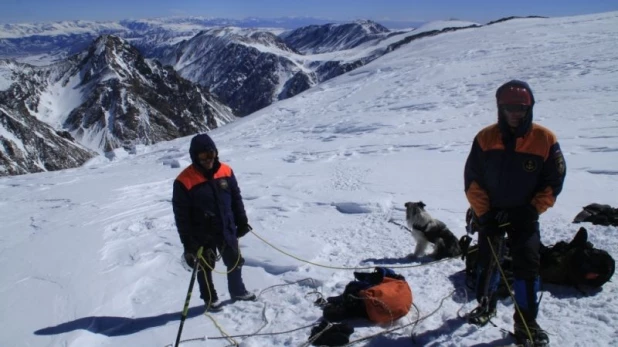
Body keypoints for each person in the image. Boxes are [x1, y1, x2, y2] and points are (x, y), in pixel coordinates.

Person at [464, 80, 566, 346]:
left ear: (529, 108)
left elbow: (553, 182)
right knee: (488, 263)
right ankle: (486, 305)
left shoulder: (545, 139)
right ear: (500, 108)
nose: (515, 113)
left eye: (520, 107)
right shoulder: (485, 138)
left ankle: (525, 322)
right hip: (492, 215)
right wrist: (484, 215)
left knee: (527, 268)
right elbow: (473, 181)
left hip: (525, 216)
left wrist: (532, 210)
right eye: (509, 107)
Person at [173, 133, 256, 312]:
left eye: (211, 154)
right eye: (202, 156)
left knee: (235, 261)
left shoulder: (225, 171)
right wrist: (188, 243)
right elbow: (181, 216)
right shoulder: (183, 180)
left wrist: (241, 221)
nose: (208, 159)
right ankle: (210, 299)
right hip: (201, 234)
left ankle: (238, 291)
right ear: (194, 156)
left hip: (226, 226)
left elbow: (236, 198)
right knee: (205, 267)